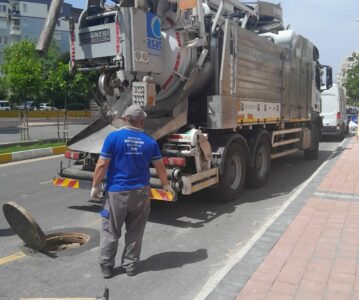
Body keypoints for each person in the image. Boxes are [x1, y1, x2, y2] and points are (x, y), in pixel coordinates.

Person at [91, 104, 174, 278]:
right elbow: (160, 167)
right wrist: (165, 185)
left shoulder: (113, 138)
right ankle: (130, 266)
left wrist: (95, 186)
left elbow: (102, 164)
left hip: (116, 193)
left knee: (110, 231)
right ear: (141, 121)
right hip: (141, 193)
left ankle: (107, 268)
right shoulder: (150, 142)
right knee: (135, 231)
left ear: (124, 119)